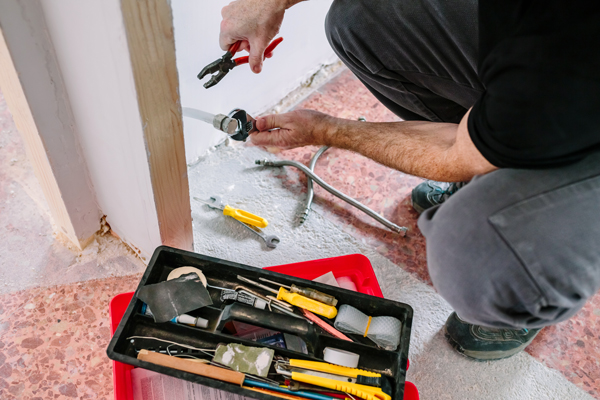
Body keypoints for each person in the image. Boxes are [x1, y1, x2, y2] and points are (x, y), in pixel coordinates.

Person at [218, 0, 600, 361]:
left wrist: (327, 129)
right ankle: (501, 152)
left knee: (475, 248)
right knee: (361, 19)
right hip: (557, 84)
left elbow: (455, 154)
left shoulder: (560, 47)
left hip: (576, 87)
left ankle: (527, 287)